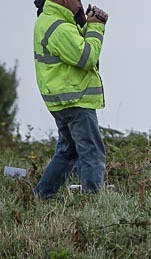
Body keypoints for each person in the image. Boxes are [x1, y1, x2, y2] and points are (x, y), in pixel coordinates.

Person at [32, 0, 109, 199]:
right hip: (75, 99)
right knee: (92, 153)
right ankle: (91, 202)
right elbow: (87, 58)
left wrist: (86, 25)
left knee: (68, 151)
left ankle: (41, 196)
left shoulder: (50, 21)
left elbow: (73, 50)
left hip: (63, 100)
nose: (80, 2)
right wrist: (96, 27)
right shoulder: (59, 27)